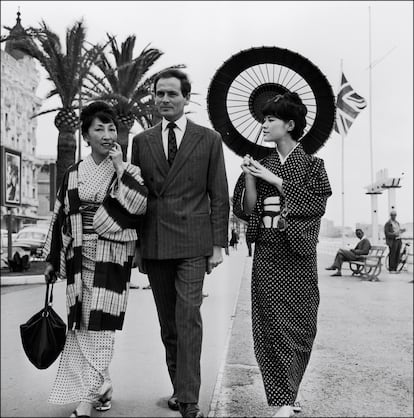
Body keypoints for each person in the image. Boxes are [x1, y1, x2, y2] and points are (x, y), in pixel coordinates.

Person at [131, 69, 229, 418]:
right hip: (155, 242)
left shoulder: (209, 139)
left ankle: (189, 400)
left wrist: (217, 245)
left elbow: (219, 195)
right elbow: (135, 197)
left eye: (172, 94)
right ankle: (179, 387)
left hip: (193, 243)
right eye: (159, 94)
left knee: (188, 319)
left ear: (186, 99)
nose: (165, 100)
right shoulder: (141, 141)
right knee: (168, 324)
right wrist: (138, 246)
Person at [42, 101, 147, 418]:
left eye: (111, 128)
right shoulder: (74, 172)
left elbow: (140, 205)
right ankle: (104, 387)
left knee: (101, 327)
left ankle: (87, 399)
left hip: (111, 258)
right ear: (85, 135)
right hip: (78, 257)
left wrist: (119, 168)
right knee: (81, 325)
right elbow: (59, 216)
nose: (106, 134)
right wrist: (51, 258)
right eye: (98, 128)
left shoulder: (129, 171)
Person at [232, 92, 332, 418]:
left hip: (299, 254)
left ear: (289, 125)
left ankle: (291, 391)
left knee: (301, 325)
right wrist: (250, 176)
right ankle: (284, 400)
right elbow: (247, 211)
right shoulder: (261, 165)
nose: (264, 124)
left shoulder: (314, 166)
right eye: (264, 119)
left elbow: (316, 205)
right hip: (268, 252)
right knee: (269, 325)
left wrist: (275, 180)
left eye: (271, 119)